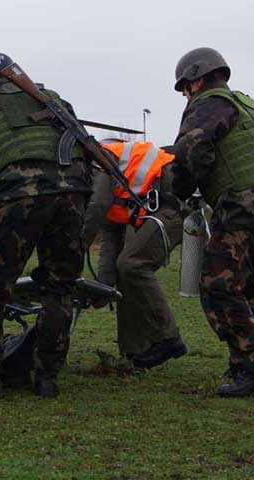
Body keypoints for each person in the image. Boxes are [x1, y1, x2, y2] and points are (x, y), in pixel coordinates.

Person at [0, 52, 91, 398]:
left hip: (15, 198)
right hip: (71, 196)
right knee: (59, 288)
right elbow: (85, 148)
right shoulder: (56, 102)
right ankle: (47, 376)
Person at [172, 47, 254, 397]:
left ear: (197, 78)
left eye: (184, 87)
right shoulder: (247, 105)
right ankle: (250, 364)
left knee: (218, 285)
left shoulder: (208, 102)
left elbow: (191, 150)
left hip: (245, 202)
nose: (185, 94)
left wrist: (180, 188)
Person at [82, 140, 186, 369]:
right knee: (123, 270)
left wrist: (76, 248)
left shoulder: (98, 161)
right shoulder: (114, 188)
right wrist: (104, 287)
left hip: (172, 209)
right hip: (158, 211)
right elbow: (111, 240)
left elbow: (97, 207)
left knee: (132, 264)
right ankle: (134, 354)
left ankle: (168, 338)